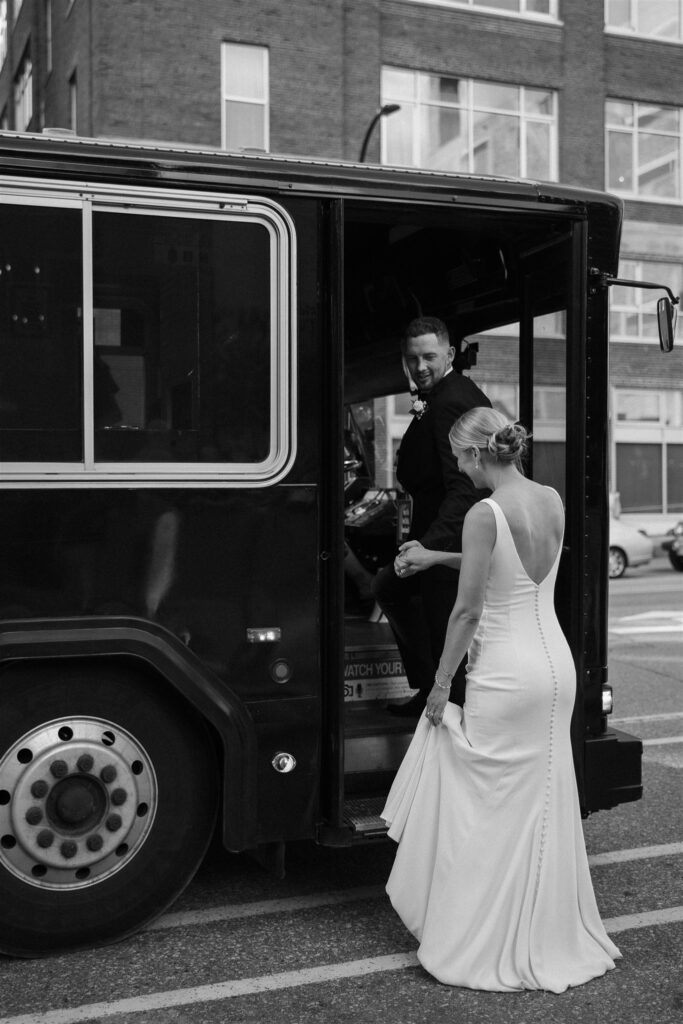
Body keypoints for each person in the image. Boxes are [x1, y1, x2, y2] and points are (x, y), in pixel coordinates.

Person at [381, 407, 620, 991]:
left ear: (477, 454)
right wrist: (437, 556)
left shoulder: (484, 512)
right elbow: (503, 566)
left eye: (460, 458)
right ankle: (544, 932)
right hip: (554, 670)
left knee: (486, 804)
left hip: (507, 674)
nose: (460, 471)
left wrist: (439, 684)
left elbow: (468, 608)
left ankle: (481, 938)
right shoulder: (550, 500)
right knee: (540, 799)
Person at [372, 316, 490, 716]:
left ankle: (443, 708)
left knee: (437, 624)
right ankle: (428, 690)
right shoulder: (438, 397)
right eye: (412, 359)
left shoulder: (452, 401)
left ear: (450, 354)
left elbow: (465, 487)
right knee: (393, 590)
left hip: (451, 539)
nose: (420, 366)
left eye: (428, 357)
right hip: (434, 530)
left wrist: (430, 547)